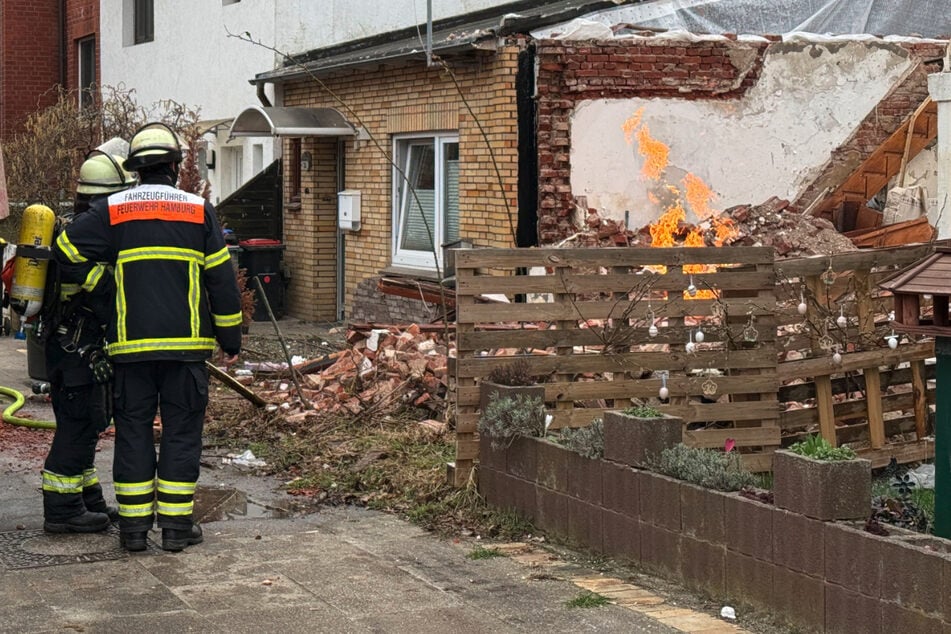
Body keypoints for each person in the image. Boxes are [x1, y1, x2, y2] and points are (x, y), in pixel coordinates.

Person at [55, 122, 242, 552]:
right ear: (176, 166)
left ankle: (134, 532)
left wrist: (104, 285)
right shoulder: (198, 210)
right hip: (186, 350)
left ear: (135, 169)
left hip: (129, 349)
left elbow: (65, 251)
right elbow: (222, 281)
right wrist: (230, 338)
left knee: (133, 431)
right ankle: (176, 530)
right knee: (181, 432)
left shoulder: (113, 209)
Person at [39, 151, 136, 533]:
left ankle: (87, 500)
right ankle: (62, 511)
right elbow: (94, 289)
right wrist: (109, 287)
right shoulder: (87, 234)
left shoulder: (79, 226)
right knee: (79, 424)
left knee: (85, 422)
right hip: (77, 348)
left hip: (67, 346)